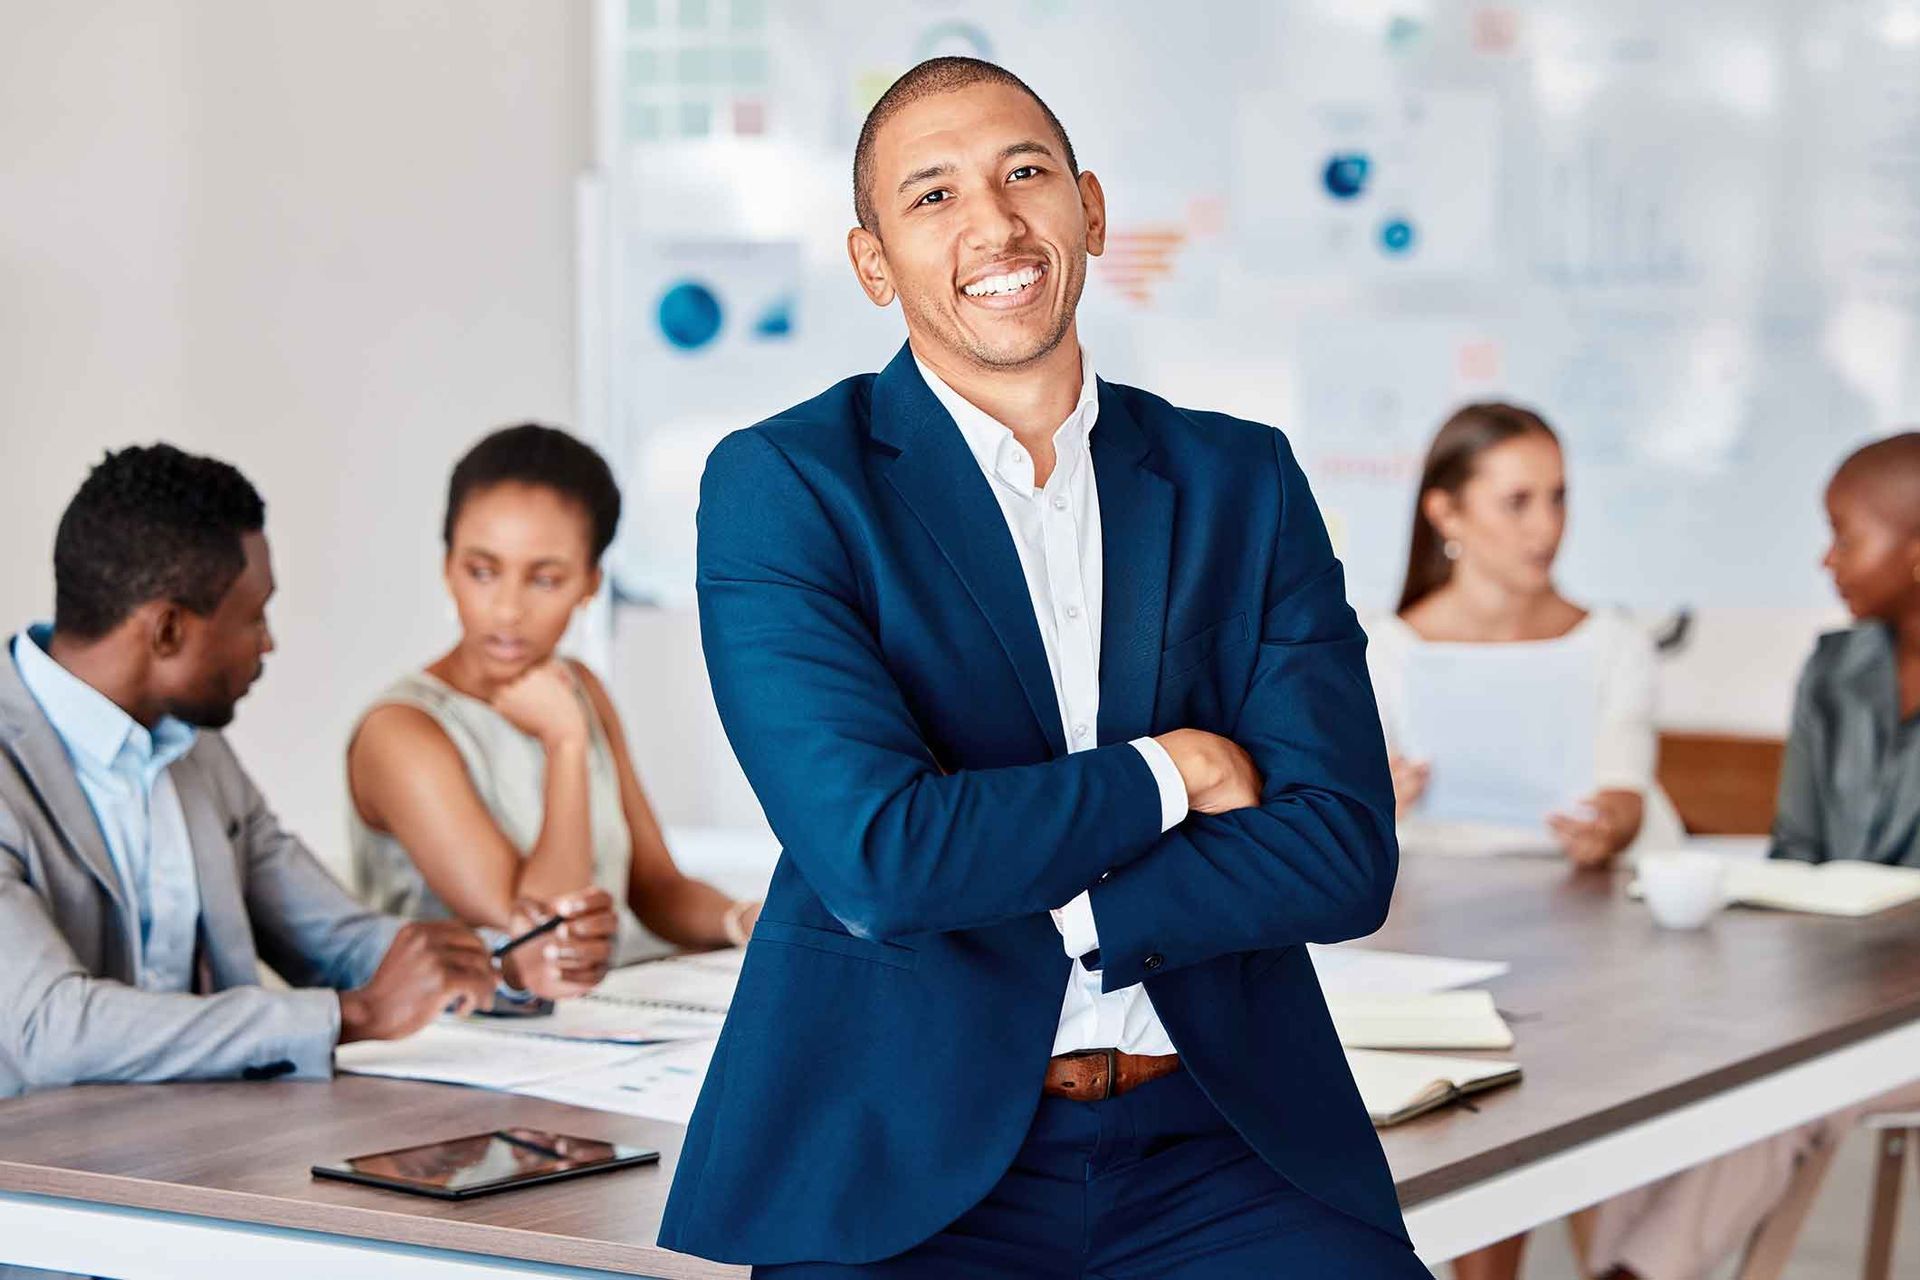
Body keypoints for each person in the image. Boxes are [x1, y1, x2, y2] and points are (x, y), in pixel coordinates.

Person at [658, 57, 1424, 1278]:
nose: (996, 224)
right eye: (934, 197)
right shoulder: (786, 487)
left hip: (1218, 1140)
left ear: (1092, 210)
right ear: (873, 265)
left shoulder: (1242, 481)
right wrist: (1171, 770)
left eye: (1026, 174)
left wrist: (1071, 900)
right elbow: (882, 856)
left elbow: (1341, 853)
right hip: (905, 1156)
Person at [0, 443, 616, 1103]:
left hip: (200, 1147)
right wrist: (353, 1015)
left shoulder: (192, 749)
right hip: (43, 1178)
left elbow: (333, 936)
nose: (267, 642)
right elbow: (48, 1027)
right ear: (168, 631)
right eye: (253, 615)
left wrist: (508, 960)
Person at [1575, 431, 1920, 1280]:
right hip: (1830, 993)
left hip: (1895, 1024)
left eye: (1847, 535)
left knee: (1780, 1091)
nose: (1827, 558)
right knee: (1665, 1062)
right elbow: (1796, 852)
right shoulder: (1835, 669)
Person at [348, 424, 757, 968]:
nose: (508, 609)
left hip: (598, 1024)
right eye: (482, 571)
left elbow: (654, 885)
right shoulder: (401, 732)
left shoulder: (580, 687)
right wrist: (565, 742)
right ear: (447, 565)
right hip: (469, 1037)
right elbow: (543, 937)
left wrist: (747, 919)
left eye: (544, 579)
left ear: (589, 583)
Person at [1367, 401, 1684, 868]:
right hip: (1425, 901)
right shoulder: (1380, 651)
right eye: (1518, 502)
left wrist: (1606, 827)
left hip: (1589, 900)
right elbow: (1345, 815)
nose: (1547, 526)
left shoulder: (1615, 643)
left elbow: (1625, 793)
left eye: (1557, 497)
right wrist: (1372, 802)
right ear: (1446, 513)